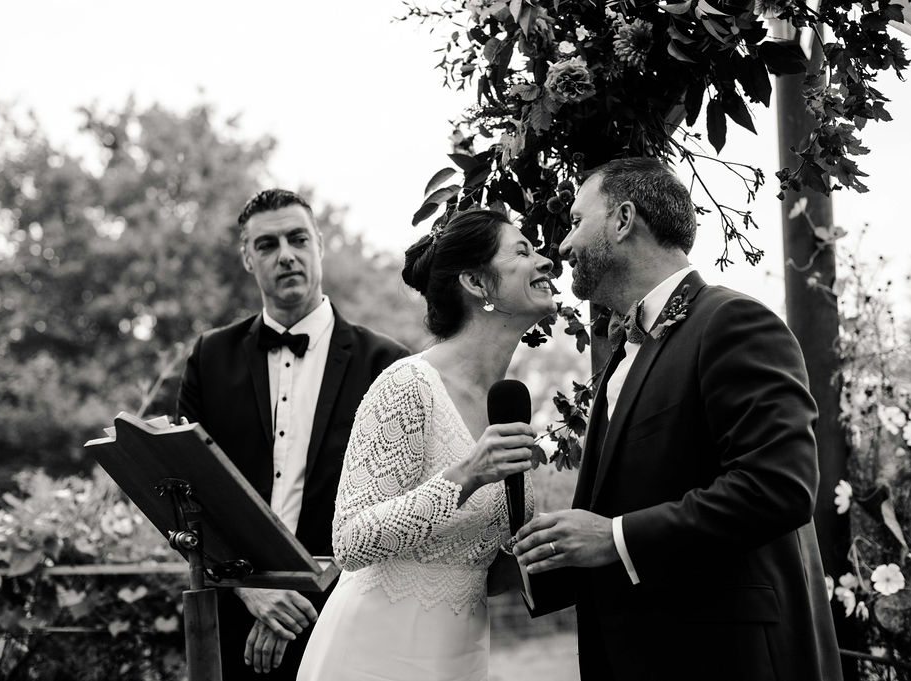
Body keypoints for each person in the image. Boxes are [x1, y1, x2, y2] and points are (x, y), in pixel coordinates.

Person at [514, 158, 842, 681]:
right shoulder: (625, 351)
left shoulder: (732, 321)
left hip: (725, 656)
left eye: (577, 220)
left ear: (623, 220)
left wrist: (615, 537)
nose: (564, 244)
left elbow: (778, 487)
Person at [296, 208, 556, 681]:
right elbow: (350, 541)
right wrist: (465, 476)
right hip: (376, 652)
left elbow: (478, 567)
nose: (546, 263)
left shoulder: (509, 402)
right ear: (477, 283)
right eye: (523, 251)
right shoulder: (407, 386)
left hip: (460, 653)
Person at [176, 189, 409, 680]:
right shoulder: (208, 358)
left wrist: (296, 602)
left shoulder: (388, 365)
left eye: (297, 238)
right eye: (266, 245)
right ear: (247, 257)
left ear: (319, 245)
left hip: (346, 616)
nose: (285, 254)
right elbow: (182, 493)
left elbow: (398, 505)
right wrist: (247, 586)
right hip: (233, 620)